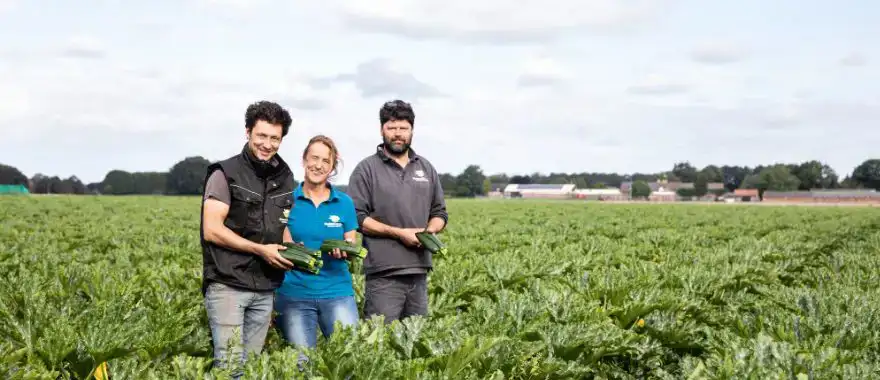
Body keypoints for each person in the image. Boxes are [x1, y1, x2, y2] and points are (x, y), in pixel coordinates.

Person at [199, 100, 296, 375]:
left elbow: (282, 227)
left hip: (265, 287)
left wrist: (291, 248)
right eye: (261, 136)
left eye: (274, 138)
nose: (267, 144)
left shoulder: (286, 178)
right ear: (248, 132)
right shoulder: (224, 173)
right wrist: (260, 250)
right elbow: (212, 229)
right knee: (230, 368)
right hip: (228, 284)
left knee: (251, 369)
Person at [346, 99, 449, 324]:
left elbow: (440, 212)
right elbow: (357, 218)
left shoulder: (425, 167)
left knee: (416, 340)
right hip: (383, 274)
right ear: (382, 130)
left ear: (412, 130)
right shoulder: (366, 169)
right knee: (380, 340)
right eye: (392, 128)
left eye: (403, 128)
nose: (397, 134)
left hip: (419, 271)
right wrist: (399, 233)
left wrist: (429, 232)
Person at [273, 135, 360, 355]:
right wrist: (288, 246)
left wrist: (346, 249)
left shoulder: (344, 203)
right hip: (294, 294)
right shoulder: (285, 200)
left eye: (325, 161)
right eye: (314, 158)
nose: (318, 165)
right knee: (300, 364)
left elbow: (352, 241)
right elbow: (275, 238)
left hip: (337, 292)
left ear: (332, 168)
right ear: (304, 160)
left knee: (347, 358)